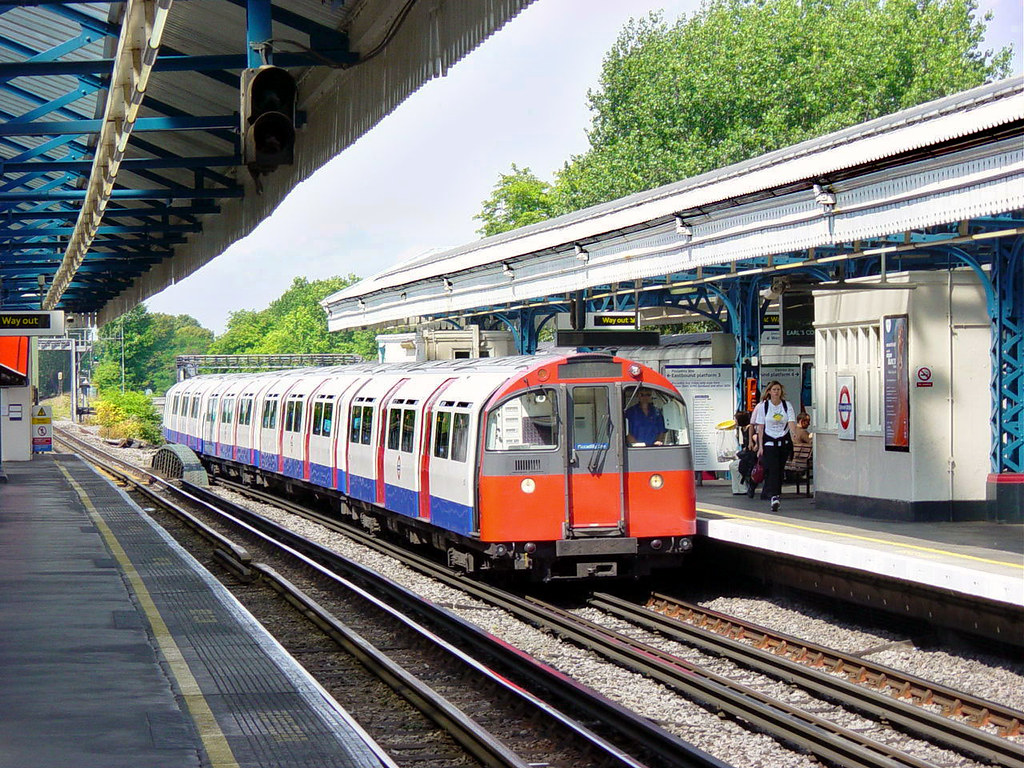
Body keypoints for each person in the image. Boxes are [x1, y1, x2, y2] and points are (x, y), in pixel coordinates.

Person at [751, 380, 797, 512]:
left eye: (778, 389)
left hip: (782, 441)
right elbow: (760, 427)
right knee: (773, 469)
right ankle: (774, 496)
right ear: (769, 392)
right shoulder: (764, 406)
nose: (776, 392)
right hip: (769, 442)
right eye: (774, 389)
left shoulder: (786, 405)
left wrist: (793, 434)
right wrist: (760, 446)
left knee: (780, 469)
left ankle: (776, 494)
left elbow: (791, 421)